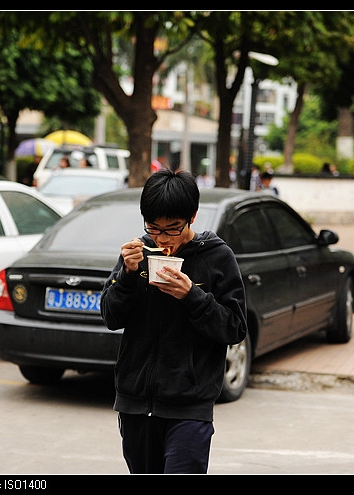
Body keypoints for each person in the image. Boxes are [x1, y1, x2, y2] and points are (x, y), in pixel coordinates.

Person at [100, 169, 248, 474]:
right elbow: (111, 317)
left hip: (190, 406)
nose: (162, 238)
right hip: (135, 403)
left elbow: (235, 327)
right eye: (153, 228)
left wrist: (192, 296)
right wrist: (127, 276)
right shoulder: (137, 254)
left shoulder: (217, 257)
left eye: (172, 229)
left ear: (192, 217)